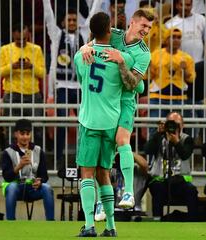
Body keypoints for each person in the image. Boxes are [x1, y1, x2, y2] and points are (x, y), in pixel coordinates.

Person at [80, 8, 154, 210]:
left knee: (122, 140)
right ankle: (102, 203)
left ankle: (129, 192)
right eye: (143, 25)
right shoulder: (114, 35)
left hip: (125, 101)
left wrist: (122, 63)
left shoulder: (144, 53)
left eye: (149, 27)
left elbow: (133, 85)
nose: (146, 30)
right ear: (133, 22)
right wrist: (85, 47)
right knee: (104, 157)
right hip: (106, 99)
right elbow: (95, 39)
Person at [74, 12, 137, 237]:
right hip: (112, 123)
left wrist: (85, 47)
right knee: (105, 174)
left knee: (88, 174)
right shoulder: (124, 58)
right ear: (110, 30)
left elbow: (82, 79)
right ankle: (111, 226)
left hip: (90, 121)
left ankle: (90, 225)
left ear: (91, 32)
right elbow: (134, 86)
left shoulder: (81, 56)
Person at [43, 0, 99, 169]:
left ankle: (85, 156)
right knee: (61, 121)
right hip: (62, 86)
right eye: (69, 20)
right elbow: (48, 17)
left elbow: (94, 13)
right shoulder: (56, 34)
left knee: (86, 122)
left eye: (75, 20)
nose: (73, 22)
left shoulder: (85, 35)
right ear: (63, 22)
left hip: (81, 86)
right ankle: (59, 157)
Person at [0, 23, 46, 147]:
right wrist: (12, 66)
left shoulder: (36, 49)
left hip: (33, 94)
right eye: (18, 39)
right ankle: (11, 161)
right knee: (10, 130)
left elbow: (43, 73)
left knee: (36, 130)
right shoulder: (5, 49)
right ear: (13, 35)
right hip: (12, 93)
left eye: (24, 39)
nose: (21, 42)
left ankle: (35, 160)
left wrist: (31, 67)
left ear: (28, 34)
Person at [144, 111, 198, 221]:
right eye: (171, 123)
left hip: (181, 180)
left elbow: (184, 155)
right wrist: (158, 133)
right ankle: (157, 219)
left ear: (182, 125)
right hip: (161, 180)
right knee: (157, 188)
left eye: (177, 124)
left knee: (191, 190)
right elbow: (147, 150)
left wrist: (176, 142)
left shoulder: (187, 139)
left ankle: (193, 221)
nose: (174, 127)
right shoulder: (159, 137)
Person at [1, 119, 54, 221]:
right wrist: (19, 166)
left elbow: (44, 176)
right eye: (22, 134)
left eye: (28, 134)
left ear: (31, 134)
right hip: (16, 188)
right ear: (16, 134)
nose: (25, 137)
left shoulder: (38, 151)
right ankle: (10, 222)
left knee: (47, 188)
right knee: (12, 187)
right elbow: (7, 177)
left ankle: (50, 222)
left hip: (33, 188)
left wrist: (40, 181)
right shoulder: (8, 152)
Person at [149, 27, 196, 121]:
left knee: (177, 129)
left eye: (179, 37)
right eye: (173, 37)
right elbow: (149, 76)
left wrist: (185, 69)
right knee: (155, 129)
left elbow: (191, 79)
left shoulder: (187, 58)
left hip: (179, 99)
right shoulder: (155, 55)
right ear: (166, 40)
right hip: (157, 98)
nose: (176, 40)